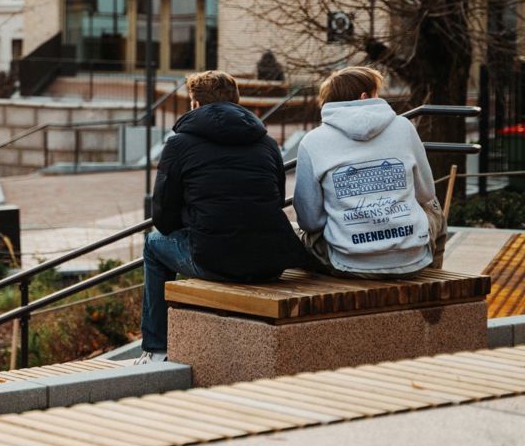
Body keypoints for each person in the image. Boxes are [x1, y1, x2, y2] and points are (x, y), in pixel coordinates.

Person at [137, 70, 307, 363]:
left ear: (195, 105)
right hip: (272, 261)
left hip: (215, 260)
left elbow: (163, 218)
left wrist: (195, 221)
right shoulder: (266, 143)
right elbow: (276, 199)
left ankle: (156, 348)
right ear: (237, 102)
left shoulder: (178, 145)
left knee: (153, 245)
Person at [293, 66, 444, 277]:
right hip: (411, 260)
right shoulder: (404, 127)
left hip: (346, 263)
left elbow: (310, 221)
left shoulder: (312, 141)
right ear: (364, 97)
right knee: (434, 206)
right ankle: (435, 282)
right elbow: (426, 193)